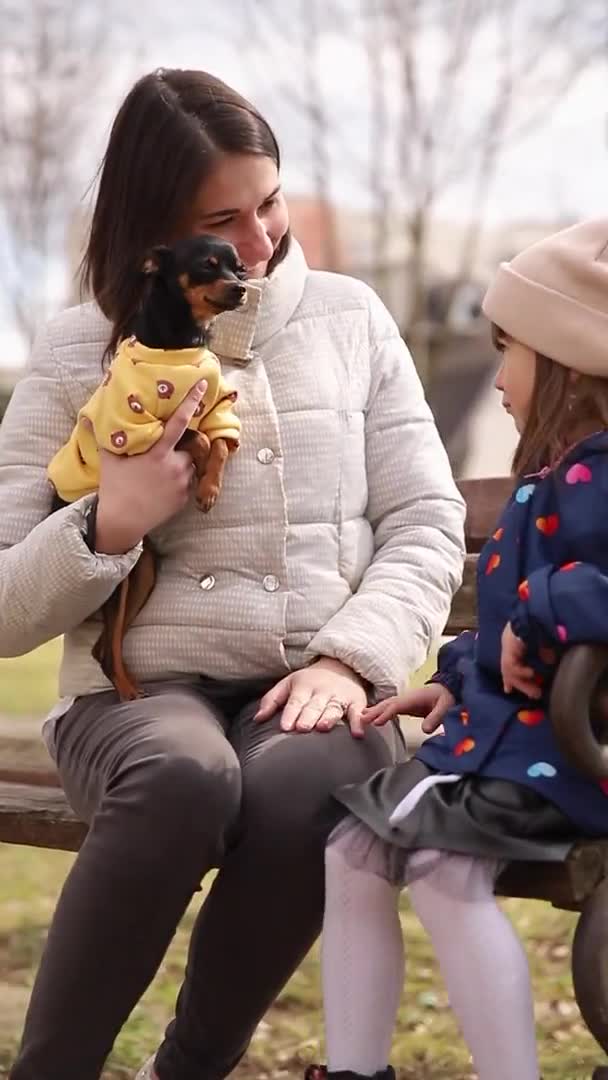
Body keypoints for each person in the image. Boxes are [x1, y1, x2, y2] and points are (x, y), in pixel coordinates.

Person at [0, 68, 465, 1080]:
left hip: (306, 681)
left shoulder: (350, 319)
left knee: (310, 781)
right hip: (134, 697)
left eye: (269, 202)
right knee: (179, 775)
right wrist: (109, 522)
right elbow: (3, 605)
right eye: (223, 220)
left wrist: (352, 659)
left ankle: (191, 1071)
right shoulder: (79, 347)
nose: (258, 246)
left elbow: (428, 521)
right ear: (155, 231)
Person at [313, 218, 608, 1080]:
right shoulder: (556, 475)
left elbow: (556, 607)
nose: (500, 376)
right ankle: (353, 1070)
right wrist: (455, 675)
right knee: (352, 851)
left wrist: (540, 616)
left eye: (506, 349)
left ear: (566, 359)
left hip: (564, 753)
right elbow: (509, 621)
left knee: (441, 871)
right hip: (506, 740)